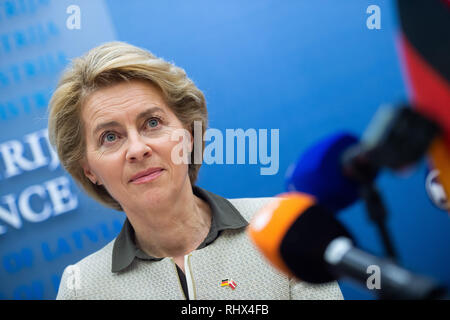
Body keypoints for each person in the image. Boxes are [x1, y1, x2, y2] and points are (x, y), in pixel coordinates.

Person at [49, 41, 343, 300]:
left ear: (189, 133)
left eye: (152, 123)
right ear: (88, 169)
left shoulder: (285, 229)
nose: (137, 149)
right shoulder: (82, 289)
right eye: (110, 137)